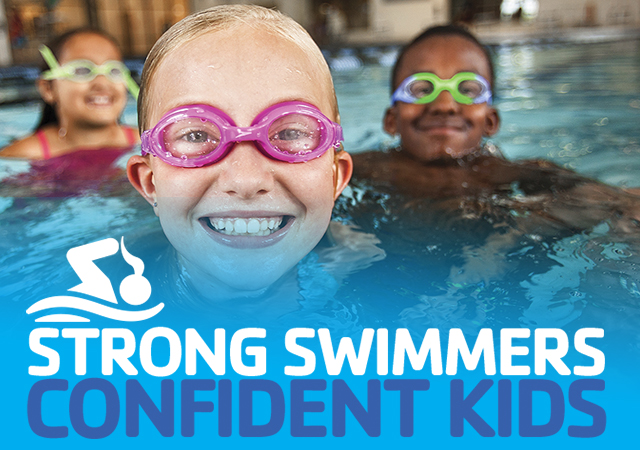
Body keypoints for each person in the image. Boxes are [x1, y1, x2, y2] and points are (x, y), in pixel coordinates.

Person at [347, 24, 640, 330]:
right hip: (384, 291)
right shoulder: (362, 167)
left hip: (505, 299)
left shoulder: (516, 171)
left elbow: (617, 200)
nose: (444, 105)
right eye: (420, 89)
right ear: (391, 120)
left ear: (490, 120)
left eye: (467, 89)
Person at [126, 5, 382, 311]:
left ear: (335, 177)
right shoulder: (87, 299)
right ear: (150, 183)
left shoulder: (378, 280)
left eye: (289, 134)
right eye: (196, 136)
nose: (246, 181)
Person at [0, 28, 139, 160]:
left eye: (114, 71)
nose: (102, 83)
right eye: (82, 71)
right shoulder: (23, 154)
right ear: (48, 88)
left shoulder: (145, 143)